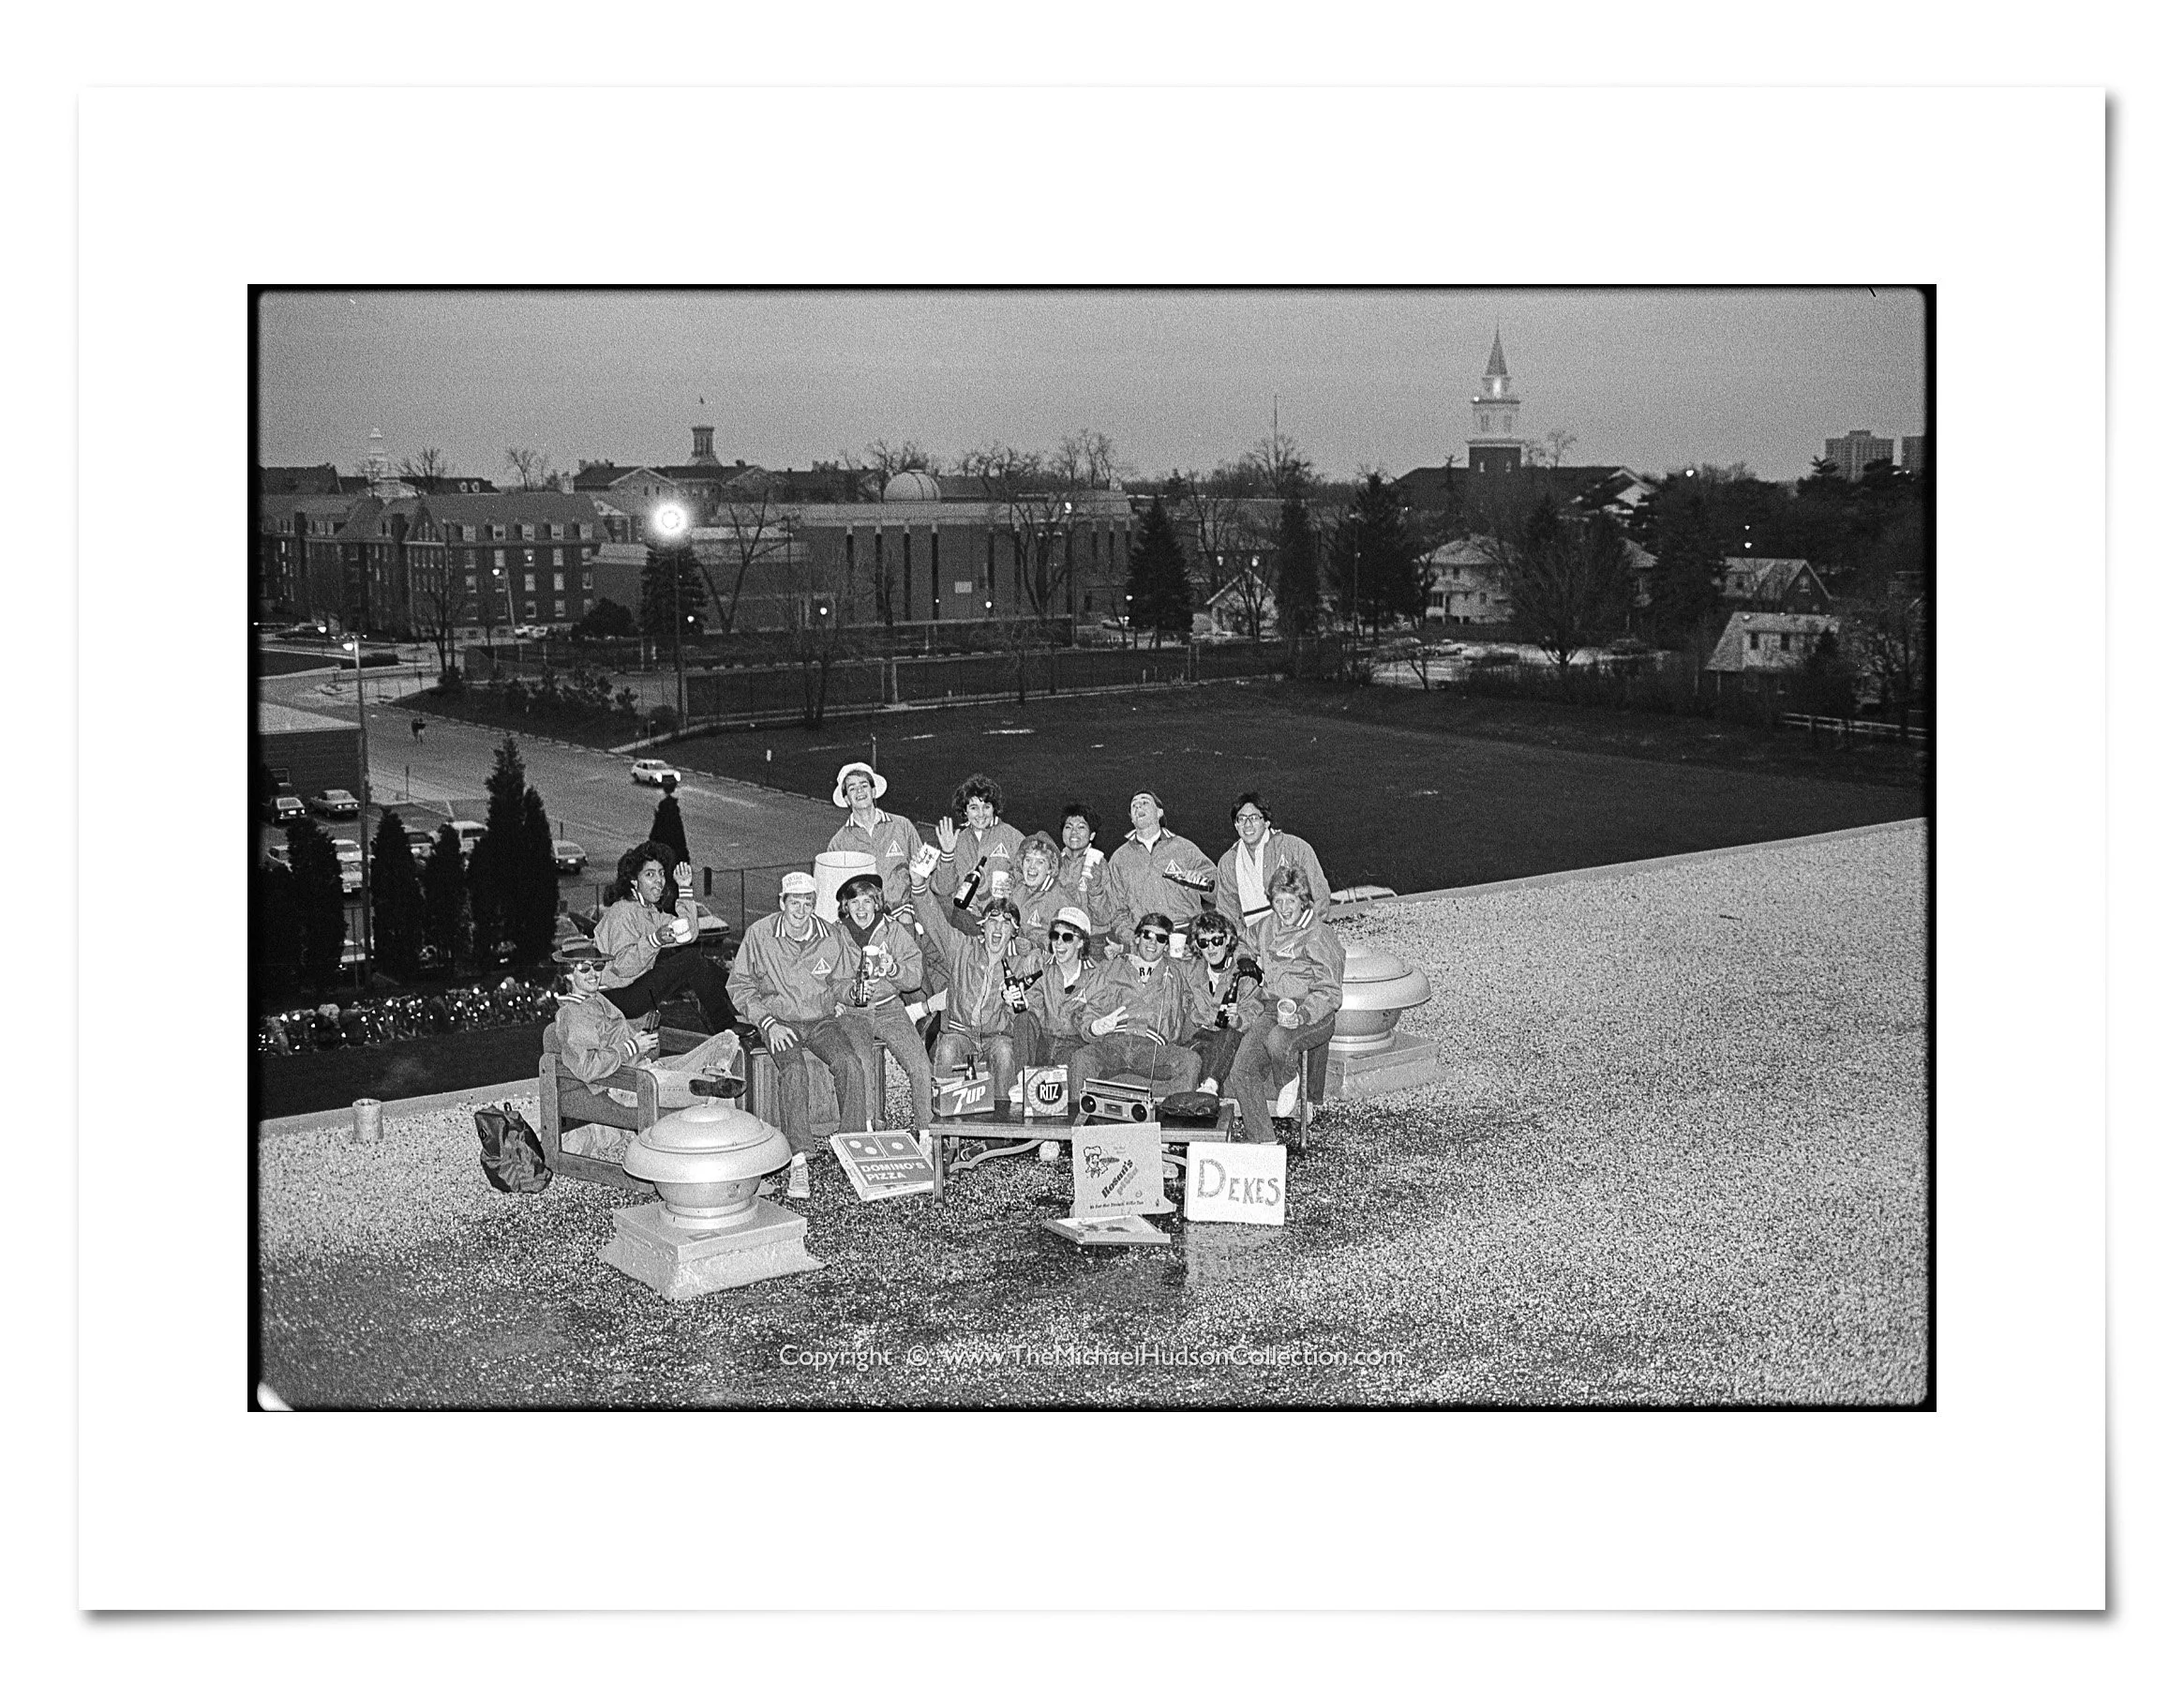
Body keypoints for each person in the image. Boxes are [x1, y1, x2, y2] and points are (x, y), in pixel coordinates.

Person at [726, 870, 876, 1198]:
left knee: (850, 1063)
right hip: (781, 1022)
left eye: (808, 902)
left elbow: (840, 982)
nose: (801, 909)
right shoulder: (760, 934)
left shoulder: (829, 934)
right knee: (794, 1070)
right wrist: (767, 1023)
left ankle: (850, 1146)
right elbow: (739, 986)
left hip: (821, 1020)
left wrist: (852, 995)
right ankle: (799, 1157)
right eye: (795, 902)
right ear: (782, 902)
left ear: (814, 903)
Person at [1229, 864, 1346, 1145]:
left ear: (1303, 900)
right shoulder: (1268, 925)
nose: (1283, 908)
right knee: (1241, 1070)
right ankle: (1264, 1141)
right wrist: (1247, 962)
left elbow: (1330, 989)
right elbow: (1243, 941)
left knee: (1279, 1041)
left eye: (1290, 901)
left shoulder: (1318, 934)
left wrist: (1305, 1014)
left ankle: (1288, 1080)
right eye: (1277, 901)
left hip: (1313, 1011)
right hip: (1273, 1007)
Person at [550, 954, 745, 1113]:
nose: (593, 974)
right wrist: (633, 1046)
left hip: (651, 1068)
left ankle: (714, 1077)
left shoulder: (597, 999)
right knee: (716, 1092)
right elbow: (587, 1067)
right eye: (584, 968)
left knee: (727, 1039)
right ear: (568, 975)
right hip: (630, 1084)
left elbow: (625, 1040)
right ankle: (714, 1089)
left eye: (598, 967)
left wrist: (643, 1039)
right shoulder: (572, 1014)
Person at [910, 842, 1024, 1108]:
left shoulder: (1023, 962)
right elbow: (934, 921)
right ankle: (941, 1129)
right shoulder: (962, 947)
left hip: (997, 1036)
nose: (998, 929)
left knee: (1005, 1052)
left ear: (1014, 931)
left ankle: (1000, 1133)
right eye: (992, 922)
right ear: (982, 928)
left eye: (1005, 924)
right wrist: (918, 886)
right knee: (948, 1047)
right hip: (960, 1032)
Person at [592, 840, 736, 1034]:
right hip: (617, 996)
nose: (659, 880)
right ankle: (726, 1025)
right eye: (650, 874)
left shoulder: (650, 912)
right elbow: (622, 967)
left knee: (699, 963)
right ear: (634, 881)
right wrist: (654, 941)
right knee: (691, 960)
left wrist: (685, 887)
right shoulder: (622, 911)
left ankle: (743, 994)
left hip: (634, 988)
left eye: (661, 873)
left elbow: (688, 934)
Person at [1067, 909, 1204, 1110]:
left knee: (1191, 1061)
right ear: (1137, 938)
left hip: (1154, 1047)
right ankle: (1075, 1134)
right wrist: (1096, 1027)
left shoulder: (1177, 971)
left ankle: (1175, 1130)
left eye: (1161, 938)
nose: (1152, 942)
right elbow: (1088, 1009)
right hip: (1113, 1042)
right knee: (1081, 1059)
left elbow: (1203, 984)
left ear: (1167, 945)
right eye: (1147, 935)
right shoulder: (1111, 967)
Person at [832, 871, 933, 1131]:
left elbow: (915, 977)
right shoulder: (837, 935)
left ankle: (927, 1134)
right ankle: (867, 1131)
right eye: (854, 902)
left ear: (877, 902)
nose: (861, 908)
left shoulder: (893, 929)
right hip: (855, 1012)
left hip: (890, 1007)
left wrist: (895, 970)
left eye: (867, 901)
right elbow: (830, 979)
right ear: (846, 906)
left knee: (920, 1065)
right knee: (863, 1064)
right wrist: (849, 994)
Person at [1094, 789, 1215, 955]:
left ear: (1159, 812)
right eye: (1134, 806)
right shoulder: (1119, 859)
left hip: (1187, 937)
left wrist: (1204, 884)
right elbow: (1117, 912)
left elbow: (1218, 892)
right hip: (1147, 943)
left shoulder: (1184, 848)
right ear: (1131, 818)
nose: (1138, 807)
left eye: (1144, 802)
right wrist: (1133, 941)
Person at [1214, 791, 1331, 934]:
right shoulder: (1228, 863)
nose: (1247, 824)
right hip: (1253, 943)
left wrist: (1301, 934)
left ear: (1266, 822)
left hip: (1300, 936)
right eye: (1242, 819)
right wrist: (1243, 947)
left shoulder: (1295, 848)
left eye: (1254, 818)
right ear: (1236, 825)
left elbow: (1321, 897)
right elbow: (1227, 913)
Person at [825, 760, 925, 912]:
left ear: (873, 791)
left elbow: (923, 871)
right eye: (852, 788)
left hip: (906, 915)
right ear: (846, 799)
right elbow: (835, 894)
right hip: (866, 922)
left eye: (864, 785)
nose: (859, 791)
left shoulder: (902, 825)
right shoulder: (838, 843)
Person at [1182, 910, 1264, 1095]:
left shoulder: (1242, 973)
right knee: (1187, 1056)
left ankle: (1210, 1085)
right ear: (1197, 945)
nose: (1211, 948)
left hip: (1231, 1037)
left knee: (1228, 1035)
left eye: (1217, 940)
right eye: (1204, 942)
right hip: (1201, 1036)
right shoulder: (1191, 970)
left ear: (1227, 940)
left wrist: (1239, 1020)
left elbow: (1253, 1008)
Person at [932, 773, 1025, 917]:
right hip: (964, 917)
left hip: (1000, 917)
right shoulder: (957, 841)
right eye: (974, 808)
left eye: (986, 807)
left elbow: (1029, 875)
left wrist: (1014, 882)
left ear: (994, 808)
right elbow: (943, 889)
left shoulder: (1012, 836)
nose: (981, 814)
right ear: (965, 810)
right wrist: (947, 855)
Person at [1020, 905, 1101, 1069]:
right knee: (1023, 1019)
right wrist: (1022, 1001)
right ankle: (1022, 1078)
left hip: (1074, 1045)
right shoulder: (1042, 968)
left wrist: (1094, 1028)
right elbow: (1034, 1010)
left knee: (1074, 1060)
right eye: (1055, 936)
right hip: (1043, 1041)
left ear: (1081, 943)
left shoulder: (1095, 975)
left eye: (1067, 937)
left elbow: (1090, 1021)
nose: (1059, 943)